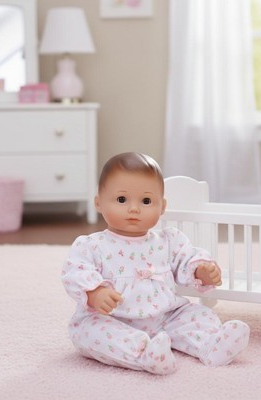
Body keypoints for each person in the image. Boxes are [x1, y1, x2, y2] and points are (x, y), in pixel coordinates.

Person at [61, 152, 250, 375]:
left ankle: (211, 345)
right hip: (113, 318)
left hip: (166, 316)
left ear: (162, 207)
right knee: (87, 332)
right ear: (98, 203)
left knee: (198, 314)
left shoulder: (169, 240)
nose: (134, 208)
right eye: (122, 199)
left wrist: (201, 270)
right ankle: (143, 353)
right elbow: (75, 271)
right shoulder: (91, 245)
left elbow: (186, 258)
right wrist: (94, 292)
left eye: (146, 201)